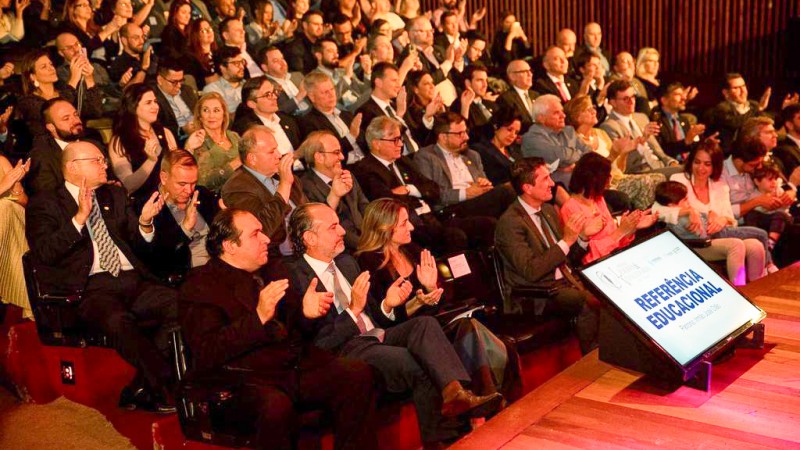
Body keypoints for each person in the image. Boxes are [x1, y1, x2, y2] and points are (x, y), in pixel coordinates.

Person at [285, 202, 503, 448]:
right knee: (418, 363)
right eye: (333, 227)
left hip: (376, 335)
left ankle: (456, 392)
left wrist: (388, 305)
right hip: (345, 349)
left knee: (425, 324)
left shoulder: (346, 263)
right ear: (310, 237)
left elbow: (374, 319)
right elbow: (316, 341)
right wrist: (353, 310)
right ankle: (443, 441)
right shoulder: (293, 275)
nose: (343, 231)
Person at [179, 208, 379, 450]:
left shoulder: (274, 270)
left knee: (356, 374)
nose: (266, 239)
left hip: (290, 367)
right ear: (230, 246)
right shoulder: (201, 286)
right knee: (276, 406)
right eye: (255, 234)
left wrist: (307, 313)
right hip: (242, 378)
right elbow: (208, 351)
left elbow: (297, 331)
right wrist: (258, 319)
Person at [26, 141, 177, 412]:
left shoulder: (113, 195)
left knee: (180, 304)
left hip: (131, 278)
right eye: (97, 160)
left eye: (103, 160)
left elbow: (136, 242)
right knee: (118, 321)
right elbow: (45, 253)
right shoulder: (45, 203)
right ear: (73, 167)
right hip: (90, 288)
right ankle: (165, 385)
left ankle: (142, 384)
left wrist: (144, 223)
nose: (104, 165)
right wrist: (79, 220)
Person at [355, 198, 510, 396]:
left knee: (470, 328)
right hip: (404, 335)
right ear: (385, 227)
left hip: (432, 326)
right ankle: (487, 400)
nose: (411, 226)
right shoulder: (368, 261)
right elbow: (381, 319)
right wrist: (417, 301)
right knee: (471, 334)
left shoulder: (412, 251)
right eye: (403, 223)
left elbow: (439, 303)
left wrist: (430, 289)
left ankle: (481, 399)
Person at [494, 157, 598, 353]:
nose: (552, 183)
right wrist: (567, 240)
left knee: (607, 289)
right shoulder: (510, 223)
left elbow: (565, 259)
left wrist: (582, 238)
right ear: (527, 188)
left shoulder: (548, 210)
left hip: (565, 281)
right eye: (545, 179)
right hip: (538, 294)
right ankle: (594, 360)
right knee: (588, 301)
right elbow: (531, 271)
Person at [670, 142, 772, 282]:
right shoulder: (678, 180)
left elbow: (732, 220)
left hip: (719, 236)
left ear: (715, 166)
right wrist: (690, 211)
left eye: (707, 164)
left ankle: (758, 289)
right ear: (691, 162)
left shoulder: (720, 185)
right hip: (694, 240)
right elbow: (662, 210)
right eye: (697, 162)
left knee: (756, 245)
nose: (701, 168)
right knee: (736, 245)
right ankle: (740, 289)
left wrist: (722, 219)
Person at [652, 181, 767, 285]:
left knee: (754, 244)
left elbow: (706, 217)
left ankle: (757, 284)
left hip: (710, 240)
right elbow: (701, 234)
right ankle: (740, 286)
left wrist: (710, 215)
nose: (688, 202)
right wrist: (705, 219)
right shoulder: (679, 218)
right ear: (672, 205)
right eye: (685, 200)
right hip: (698, 246)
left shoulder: (683, 212)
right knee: (736, 244)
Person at [565, 94, 665, 209]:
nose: (593, 111)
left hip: (617, 178)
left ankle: (650, 218)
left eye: (593, 107)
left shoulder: (600, 133)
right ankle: (643, 219)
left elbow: (619, 169)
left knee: (659, 178)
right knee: (645, 181)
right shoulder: (574, 140)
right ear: (576, 116)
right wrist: (613, 153)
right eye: (588, 109)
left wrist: (624, 152)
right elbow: (593, 172)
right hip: (602, 184)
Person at [221, 125, 306, 256]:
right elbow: (262, 230)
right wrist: (284, 186)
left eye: (277, 149)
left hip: (310, 246)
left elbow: (308, 214)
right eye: (271, 152)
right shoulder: (237, 187)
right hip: (278, 257)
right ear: (252, 159)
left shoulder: (284, 176)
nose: (279, 155)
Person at [560, 152, 658, 264]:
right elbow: (585, 256)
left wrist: (631, 227)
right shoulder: (570, 208)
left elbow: (616, 242)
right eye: (606, 176)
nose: (609, 179)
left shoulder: (597, 199)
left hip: (616, 257)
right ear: (593, 179)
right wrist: (620, 232)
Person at [413, 111, 516, 218]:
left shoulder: (472, 155)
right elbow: (430, 194)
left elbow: (485, 184)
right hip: (451, 209)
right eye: (460, 133)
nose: (466, 137)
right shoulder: (426, 157)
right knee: (506, 192)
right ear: (443, 137)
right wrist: (466, 193)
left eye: (465, 131)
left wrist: (484, 184)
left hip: (478, 203)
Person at [146, 149, 219, 284]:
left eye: (193, 183)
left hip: (219, 266)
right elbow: (157, 258)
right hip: (187, 277)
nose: (189, 190)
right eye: (182, 184)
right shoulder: (148, 208)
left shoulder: (202, 194)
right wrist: (185, 228)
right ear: (164, 177)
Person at [109, 83, 179, 206]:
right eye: (148, 103)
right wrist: (151, 160)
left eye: (155, 101)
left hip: (171, 198)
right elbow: (128, 185)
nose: (155, 106)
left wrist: (189, 148)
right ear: (133, 106)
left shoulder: (165, 132)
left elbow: (177, 169)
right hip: (144, 202)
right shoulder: (120, 141)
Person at [300, 130, 368, 251]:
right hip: (341, 249)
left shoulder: (347, 175)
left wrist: (378, 236)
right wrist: (334, 196)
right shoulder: (305, 186)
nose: (342, 157)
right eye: (336, 153)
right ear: (319, 157)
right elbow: (319, 227)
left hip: (366, 238)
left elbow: (364, 207)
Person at [16, 50, 103, 139]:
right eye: (44, 67)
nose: (51, 68)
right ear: (32, 76)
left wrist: (89, 78)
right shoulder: (27, 101)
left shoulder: (64, 92)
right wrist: (74, 79)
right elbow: (53, 111)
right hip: (51, 147)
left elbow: (96, 112)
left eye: (51, 64)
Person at [600, 80, 681, 177]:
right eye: (626, 99)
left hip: (660, 166)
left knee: (688, 170)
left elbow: (658, 151)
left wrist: (670, 162)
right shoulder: (609, 126)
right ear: (613, 102)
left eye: (633, 97)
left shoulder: (642, 117)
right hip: (640, 172)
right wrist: (641, 141)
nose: (632, 102)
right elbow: (624, 165)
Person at [520, 94, 592, 186]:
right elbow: (561, 156)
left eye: (562, 111)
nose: (563, 115)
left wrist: (575, 164)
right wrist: (577, 154)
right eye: (556, 113)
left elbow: (589, 154)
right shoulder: (532, 138)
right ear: (540, 118)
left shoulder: (569, 131)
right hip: (554, 188)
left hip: (581, 183)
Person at [356, 62, 422, 155]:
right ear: (378, 82)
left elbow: (415, 133)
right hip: (399, 160)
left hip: (417, 154)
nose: (398, 85)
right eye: (394, 80)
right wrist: (399, 116)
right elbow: (385, 145)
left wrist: (428, 117)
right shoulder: (366, 111)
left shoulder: (396, 105)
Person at [298, 72, 364, 164]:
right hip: (344, 169)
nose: (331, 95)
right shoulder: (309, 122)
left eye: (332, 89)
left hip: (366, 162)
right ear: (312, 97)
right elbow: (328, 153)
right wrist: (351, 136)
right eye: (325, 92)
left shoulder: (346, 114)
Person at [231, 76, 301, 159]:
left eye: (274, 92)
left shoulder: (287, 119)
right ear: (252, 104)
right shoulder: (246, 129)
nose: (275, 97)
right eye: (267, 94)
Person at [191, 92, 241, 192]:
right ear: (200, 117)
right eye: (206, 110)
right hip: (218, 196)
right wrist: (234, 164)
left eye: (216, 110)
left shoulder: (234, 136)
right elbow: (203, 181)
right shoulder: (198, 141)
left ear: (224, 115)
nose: (211, 115)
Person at [0, 155, 30, 318]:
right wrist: (3, 186)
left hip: (11, 224)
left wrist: (16, 184)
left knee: (5, 207)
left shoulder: (1, 161)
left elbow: (24, 202)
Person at [651, 82, 706, 160]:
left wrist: (705, 143)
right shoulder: (656, 121)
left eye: (683, 94)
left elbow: (690, 147)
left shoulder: (684, 120)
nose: (684, 98)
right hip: (670, 165)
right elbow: (660, 151)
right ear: (664, 100)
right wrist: (685, 142)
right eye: (678, 94)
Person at [746, 163, 795, 248]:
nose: (774, 182)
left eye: (775, 179)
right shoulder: (753, 195)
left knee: (780, 214)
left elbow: (786, 206)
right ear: (757, 181)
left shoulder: (778, 191)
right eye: (770, 179)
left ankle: (771, 242)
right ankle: (754, 238)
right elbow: (755, 209)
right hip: (765, 218)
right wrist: (764, 205)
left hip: (782, 218)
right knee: (751, 214)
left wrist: (782, 202)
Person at [471, 108, 520, 185]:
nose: (513, 135)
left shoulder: (515, 150)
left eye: (516, 132)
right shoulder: (480, 150)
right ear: (496, 127)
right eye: (509, 130)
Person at [152, 59, 198, 141]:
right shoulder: (153, 98)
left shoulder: (187, 90)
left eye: (181, 80)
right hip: (177, 140)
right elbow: (157, 129)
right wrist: (182, 130)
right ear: (160, 80)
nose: (179, 85)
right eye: (174, 82)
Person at [451, 63, 497, 142]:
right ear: (468, 83)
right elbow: (464, 134)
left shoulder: (489, 103)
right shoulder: (459, 105)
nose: (485, 85)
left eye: (486, 80)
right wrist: (465, 107)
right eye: (480, 80)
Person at [260, 45, 310, 115]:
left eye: (282, 58)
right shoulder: (265, 87)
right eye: (276, 61)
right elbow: (278, 112)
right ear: (265, 67)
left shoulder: (297, 75)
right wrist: (299, 97)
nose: (282, 63)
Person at [109, 23, 156, 88]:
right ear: (124, 40)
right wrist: (144, 67)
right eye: (136, 38)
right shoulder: (118, 64)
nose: (141, 41)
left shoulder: (148, 54)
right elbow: (129, 91)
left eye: (142, 36)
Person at [496, 60, 537, 134]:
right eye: (525, 71)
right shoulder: (506, 98)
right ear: (512, 76)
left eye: (530, 71)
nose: (530, 74)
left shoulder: (536, 95)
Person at [403, 70, 442, 148]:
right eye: (427, 84)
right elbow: (421, 140)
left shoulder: (439, 107)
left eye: (432, 83)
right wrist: (427, 117)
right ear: (416, 89)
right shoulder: (410, 112)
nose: (432, 86)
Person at [202, 46, 245, 114]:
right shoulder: (212, 91)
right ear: (222, 67)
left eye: (242, 62)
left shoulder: (250, 85)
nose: (242, 67)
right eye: (236, 63)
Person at [185, 19, 219, 90]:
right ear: (196, 35)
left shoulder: (218, 54)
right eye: (204, 30)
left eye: (210, 28)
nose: (209, 32)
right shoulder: (191, 59)